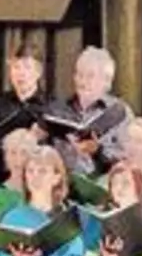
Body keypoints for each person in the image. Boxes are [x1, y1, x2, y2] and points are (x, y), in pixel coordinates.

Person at [48, 47, 132, 177]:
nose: (82, 81)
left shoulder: (120, 112)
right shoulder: (59, 110)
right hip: (63, 182)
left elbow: (128, 158)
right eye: (79, 74)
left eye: (90, 76)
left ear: (107, 81)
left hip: (105, 183)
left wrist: (98, 151)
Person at [0, 42, 48, 187]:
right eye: (16, 67)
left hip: (38, 183)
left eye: (27, 67)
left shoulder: (51, 106)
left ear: (38, 72)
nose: (21, 73)